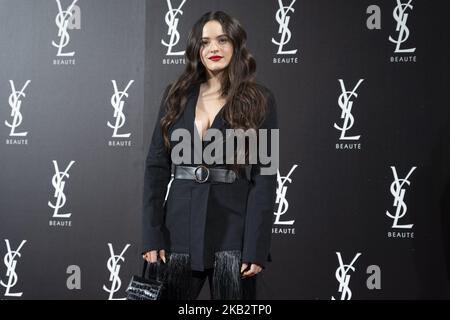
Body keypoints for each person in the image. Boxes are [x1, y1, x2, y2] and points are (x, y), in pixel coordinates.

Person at [142, 11, 278, 300]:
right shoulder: (175, 96)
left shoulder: (261, 100)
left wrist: (255, 246)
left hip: (233, 238)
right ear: (196, 50)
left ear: (237, 44)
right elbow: (156, 168)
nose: (213, 49)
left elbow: (265, 176)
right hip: (176, 234)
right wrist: (152, 234)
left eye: (222, 40)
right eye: (205, 42)